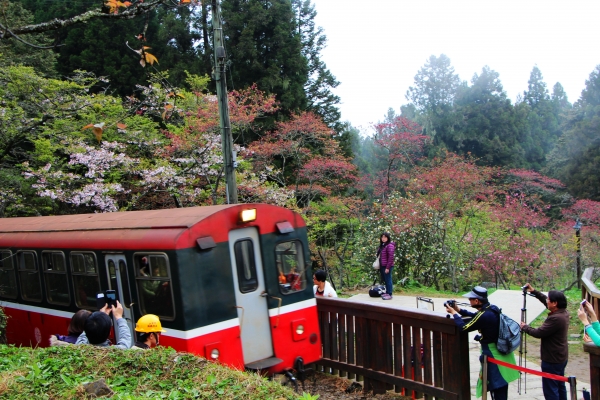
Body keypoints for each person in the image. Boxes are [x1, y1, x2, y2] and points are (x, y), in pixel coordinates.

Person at [445, 286, 518, 400]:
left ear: (477, 301)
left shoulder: (484, 315)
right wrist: (459, 310)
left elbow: (464, 327)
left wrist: (454, 313)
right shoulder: (492, 308)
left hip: (494, 354)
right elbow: (476, 317)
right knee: (502, 385)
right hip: (502, 352)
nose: (469, 301)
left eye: (470, 299)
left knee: (496, 386)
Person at [520, 283, 569, 400]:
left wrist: (525, 327)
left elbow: (539, 333)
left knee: (551, 389)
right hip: (560, 357)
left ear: (555, 303)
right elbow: (546, 302)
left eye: (549, 299)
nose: (547, 301)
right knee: (560, 385)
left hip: (552, 359)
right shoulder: (563, 312)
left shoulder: (555, 318)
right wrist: (534, 292)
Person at [376, 232, 395, 299]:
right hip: (382, 265)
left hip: (387, 266)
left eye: (385, 237)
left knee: (388, 279)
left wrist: (388, 267)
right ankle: (387, 292)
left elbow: (391, 257)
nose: (383, 239)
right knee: (386, 280)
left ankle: (389, 294)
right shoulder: (383, 245)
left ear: (388, 238)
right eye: (382, 237)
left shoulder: (390, 245)